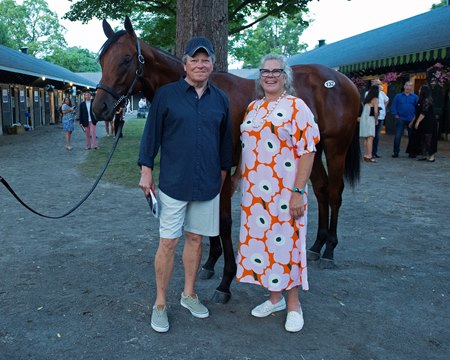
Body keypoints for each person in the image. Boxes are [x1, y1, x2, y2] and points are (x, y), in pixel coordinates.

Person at [137, 36, 233, 333]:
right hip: (173, 185)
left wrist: (221, 178)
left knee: (196, 240)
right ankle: (161, 304)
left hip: (206, 186)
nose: (200, 64)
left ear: (212, 65)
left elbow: (226, 144)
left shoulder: (220, 99)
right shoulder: (166, 96)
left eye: (206, 60)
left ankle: (189, 295)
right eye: (195, 59)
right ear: (185, 64)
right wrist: (145, 170)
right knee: (168, 243)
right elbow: (150, 136)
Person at [233, 54, 319, 333]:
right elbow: (247, 149)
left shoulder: (297, 107)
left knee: (287, 245)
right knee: (263, 244)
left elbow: (308, 151)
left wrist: (297, 191)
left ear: (285, 76)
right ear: (260, 76)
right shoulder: (253, 108)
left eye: (276, 71)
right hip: (255, 194)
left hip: (285, 193)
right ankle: (274, 298)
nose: (270, 75)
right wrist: (237, 177)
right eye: (265, 71)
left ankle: (294, 305)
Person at [390, 81, 419, 158]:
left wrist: (415, 118)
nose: (408, 87)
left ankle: (412, 152)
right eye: (407, 85)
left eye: (410, 86)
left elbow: (418, 109)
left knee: (412, 137)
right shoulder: (398, 96)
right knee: (398, 136)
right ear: (404, 86)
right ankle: (396, 152)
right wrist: (396, 115)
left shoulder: (415, 97)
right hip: (400, 119)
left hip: (411, 120)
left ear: (411, 88)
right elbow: (393, 106)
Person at [412, 85, 438, 162]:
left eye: (420, 89)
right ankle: (425, 155)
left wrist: (417, 121)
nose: (419, 91)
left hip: (429, 122)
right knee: (423, 138)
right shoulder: (421, 100)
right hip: (424, 122)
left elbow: (424, 112)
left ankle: (431, 156)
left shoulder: (427, 100)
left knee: (428, 138)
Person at [360, 85, 380, 163]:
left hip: (364, 118)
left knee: (366, 138)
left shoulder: (367, 99)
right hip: (370, 119)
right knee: (370, 138)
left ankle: (366, 154)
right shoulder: (375, 99)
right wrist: (376, 120)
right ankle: (369, 155)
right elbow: (375, 111)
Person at [371, 79, 389, 158]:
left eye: (379, 84)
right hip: (372, 117)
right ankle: (369, 152)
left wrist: (384, 107)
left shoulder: (382, 94)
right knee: (371, 135)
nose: (379, 86)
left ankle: (374, 152)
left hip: (381, 116)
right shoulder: (369, 93)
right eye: (377, 84)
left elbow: (387, 100)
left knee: (377, 136)